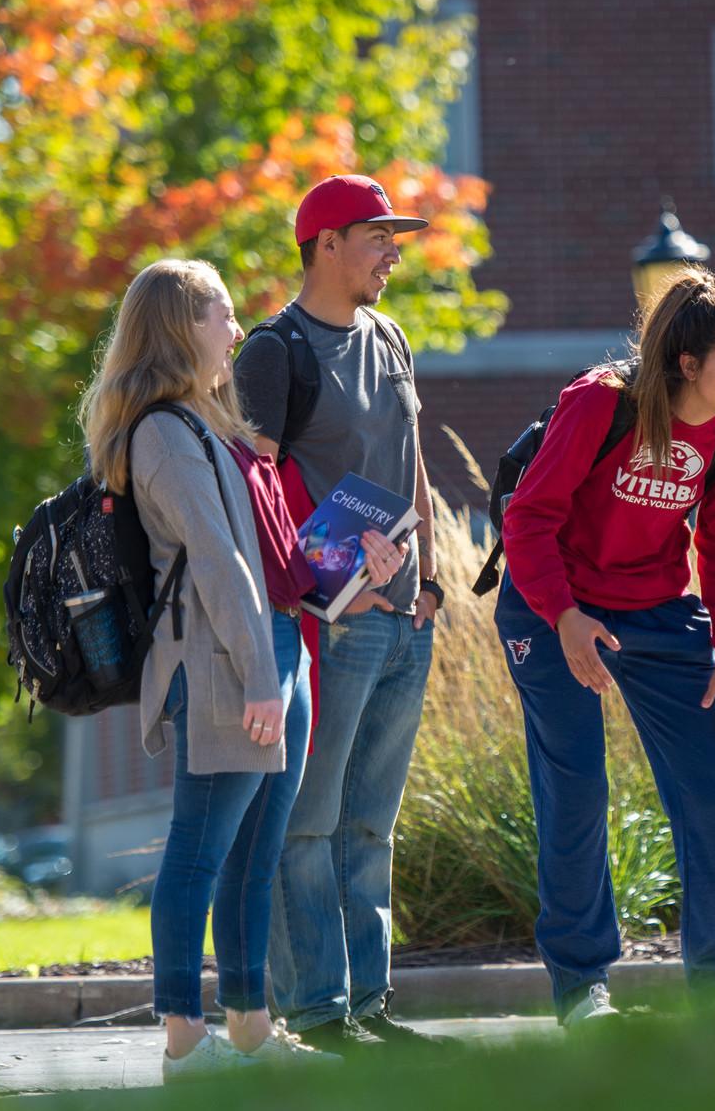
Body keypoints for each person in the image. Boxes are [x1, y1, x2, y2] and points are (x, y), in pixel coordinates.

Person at [79, 258, 366, 1081]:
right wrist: (257, 676)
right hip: (221, 663)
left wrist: (353, 565)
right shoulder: (163, 434)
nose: (238, 333)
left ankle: (247, 1027)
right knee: (199, 852)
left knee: (254, 856)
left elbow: (269, 553)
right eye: (223, 317)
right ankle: (182, 1040)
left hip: (273, 645)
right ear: (180, 326)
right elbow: (215, 559)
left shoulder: (210, 423)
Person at [495, 268, 715, 1027]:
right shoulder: (601, 404)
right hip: (556, 606)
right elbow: (528, 521)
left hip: (655, 610)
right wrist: (563, 616)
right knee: (577, 790)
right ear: (689, 365)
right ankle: (582, 988)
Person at [232, 175, 446, 1052]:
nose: (394, 251)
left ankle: (369, 1006)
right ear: (325, 244)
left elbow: (414, 461)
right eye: (378, 237)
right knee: (311, 821)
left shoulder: (389, 335)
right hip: (331, 627)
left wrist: (430, 580)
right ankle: (316, 1010)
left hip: (404, 621)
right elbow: (252, 495)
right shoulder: (273, 353)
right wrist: (337, 573)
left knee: (370, 824)